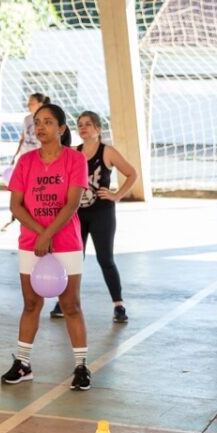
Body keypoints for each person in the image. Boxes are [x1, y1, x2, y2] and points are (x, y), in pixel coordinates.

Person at [1, 104, 91, 390]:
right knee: (31, 304)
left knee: (70, 305)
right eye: (37, 122)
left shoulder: (75, 160)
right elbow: (15, 204)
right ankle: (23, 364)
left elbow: (72, 202)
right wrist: (41, 234)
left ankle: (80, 366)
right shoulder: (26, 162)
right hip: (32, 243)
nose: (40, 127)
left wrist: (49, 234)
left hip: (66, 243)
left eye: (48, 122)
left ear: (62, 129)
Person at [50, 111, 138, 324]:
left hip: (101, 213)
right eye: (80, 124)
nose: (83, 128)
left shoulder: (107, 152)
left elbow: (132, 173)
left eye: (88, 124)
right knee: (73, 258)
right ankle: (63, 301)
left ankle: (118, 304)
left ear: (98, 129)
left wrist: (116, 195)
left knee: (105, 258)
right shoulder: (73, 152)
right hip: (77, 213)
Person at [2, 93, 49, 231]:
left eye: (32, 102)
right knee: (19, 191)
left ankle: (36, 219)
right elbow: (23, 138)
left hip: (39, 161)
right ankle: (15, 218)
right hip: (25, 160)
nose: (29, 104)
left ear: (40, 104)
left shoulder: (46, 119)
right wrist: (16, 155)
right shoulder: (27, 119)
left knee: (37, 190)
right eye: (28, 102)